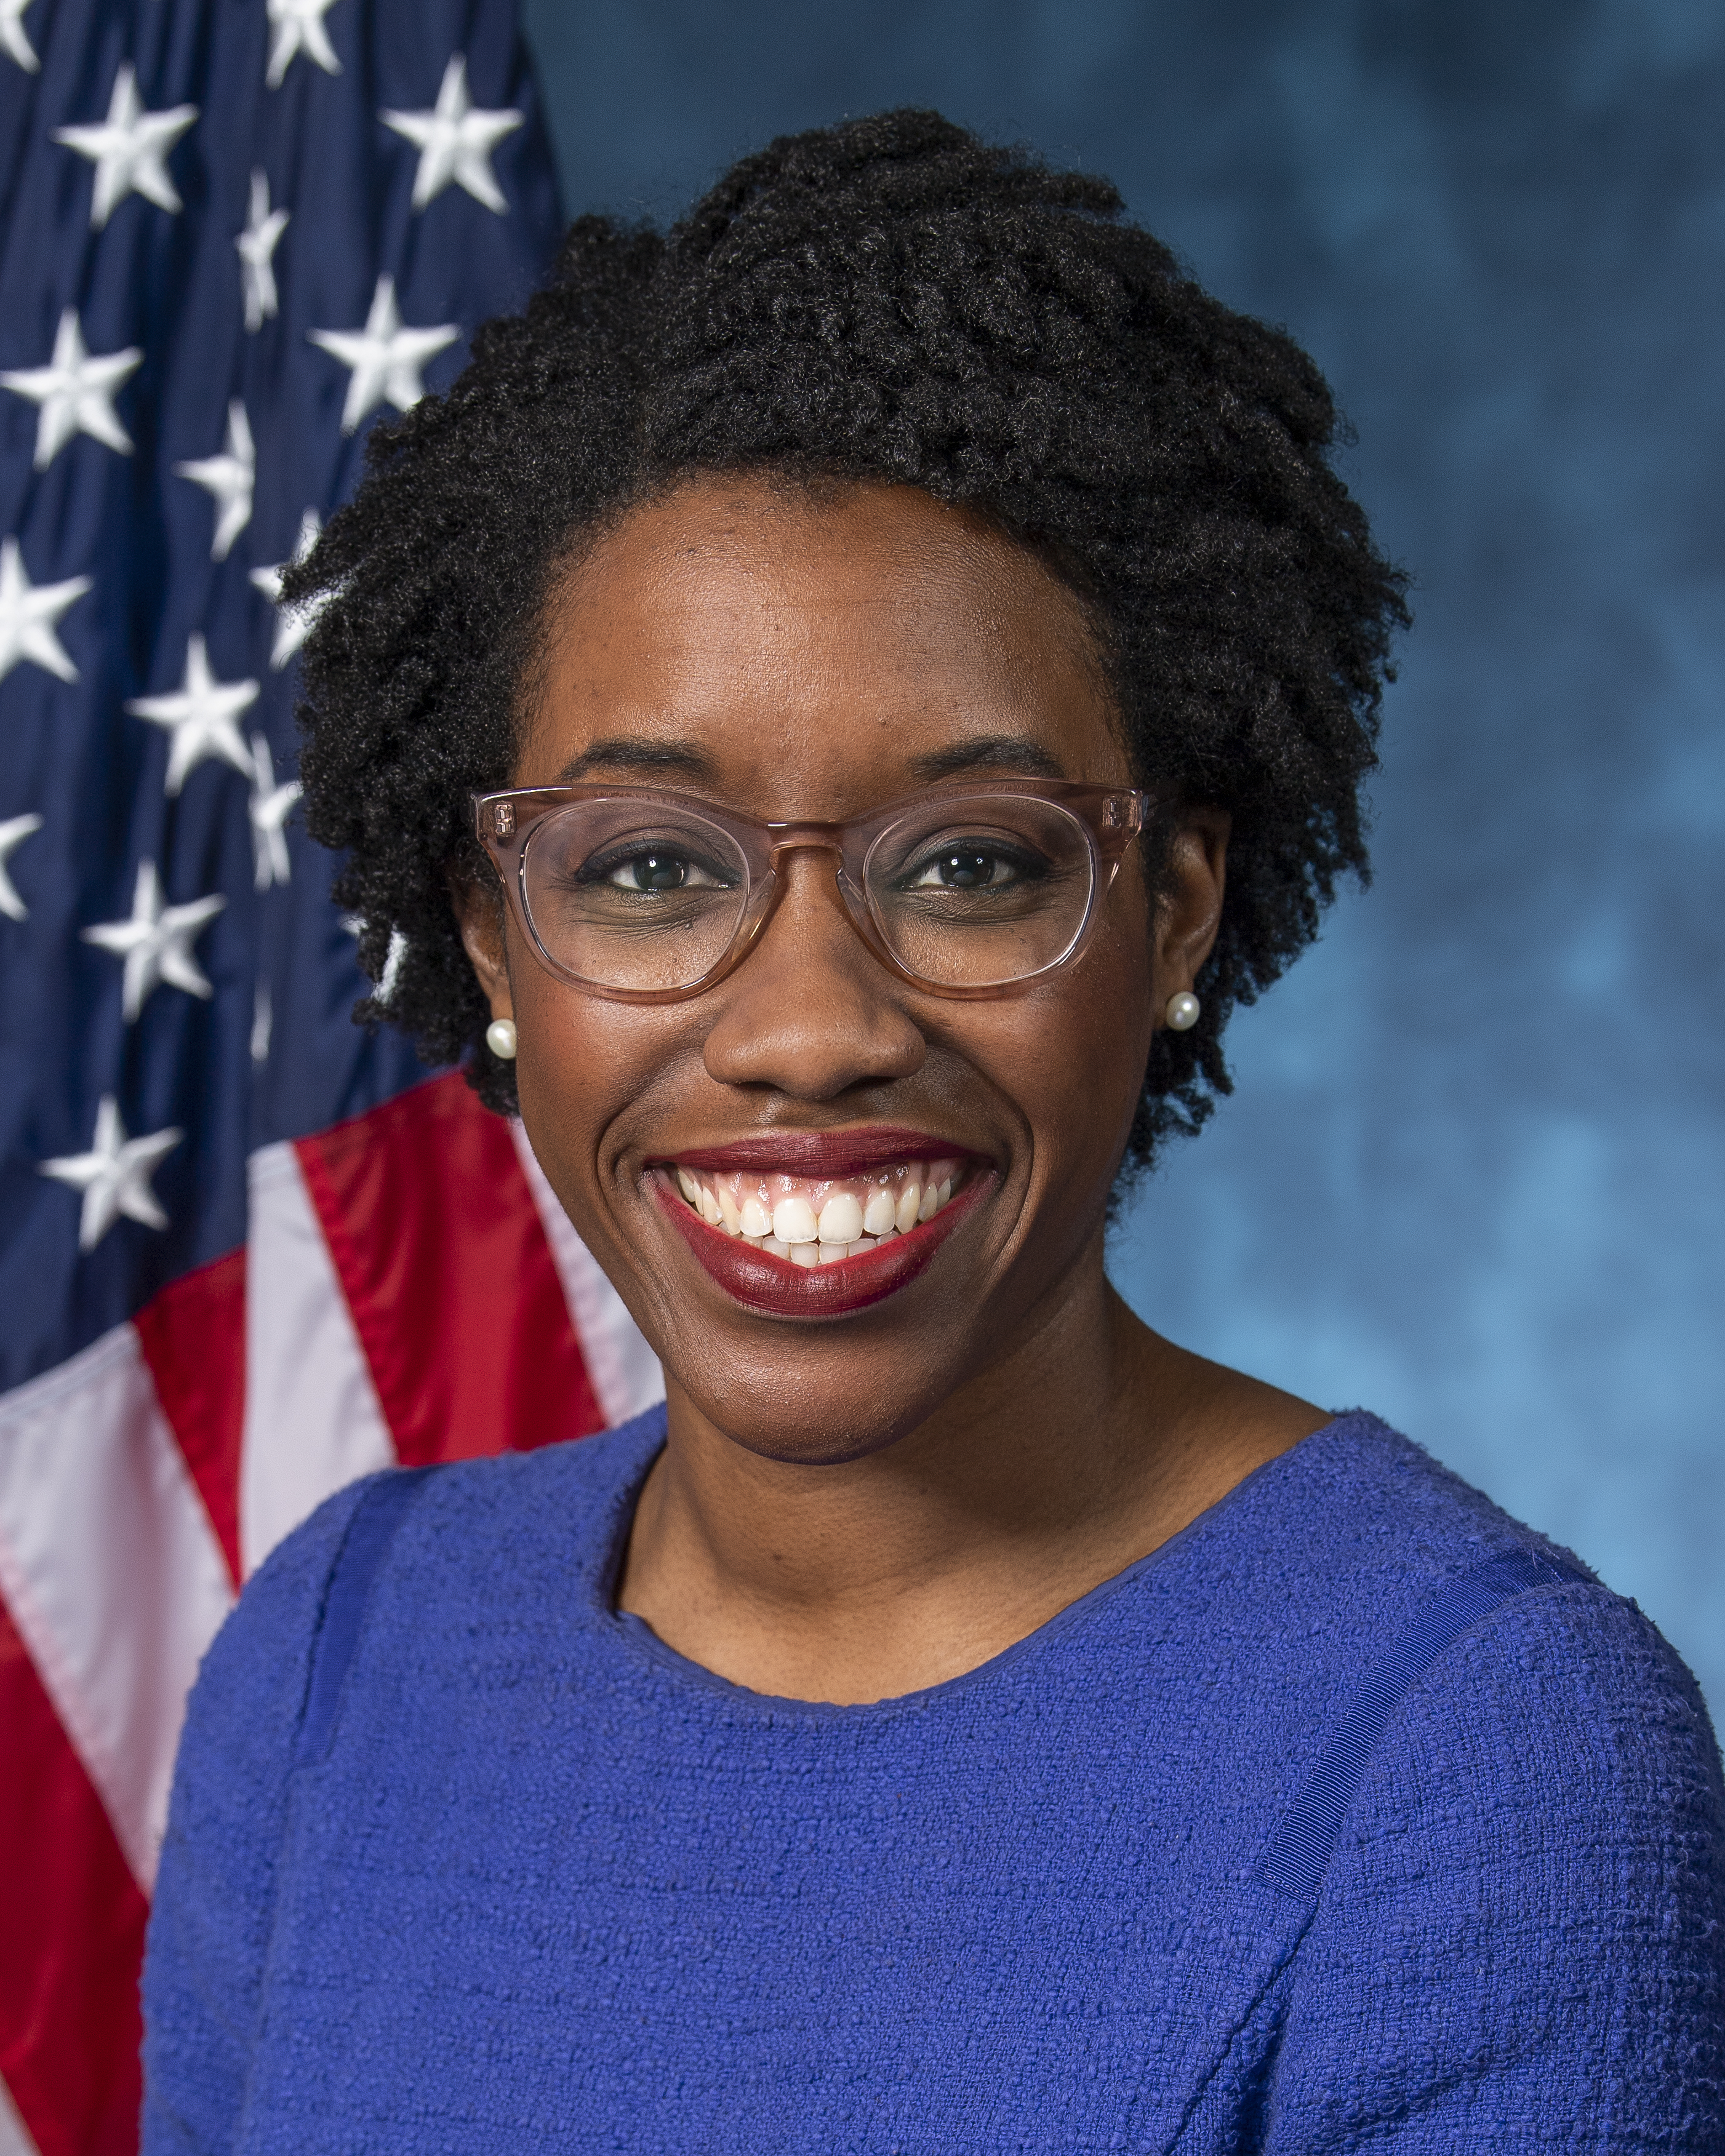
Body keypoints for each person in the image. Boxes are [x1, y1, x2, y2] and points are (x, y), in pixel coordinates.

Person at [141, 111, 1723, 2150]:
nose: (808, 1028)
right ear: (490, 939)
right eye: (644, 868)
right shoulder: (341, 1650)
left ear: (1173, 910)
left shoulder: (1477, 1749)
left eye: (971, 861)